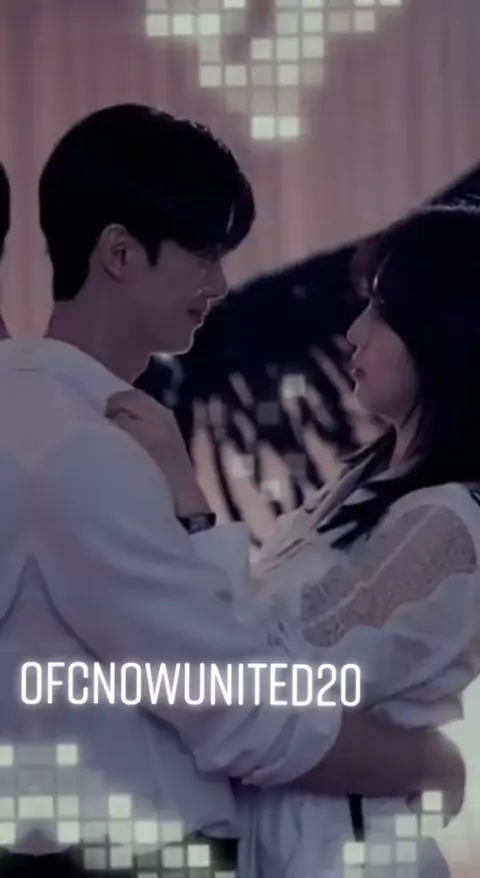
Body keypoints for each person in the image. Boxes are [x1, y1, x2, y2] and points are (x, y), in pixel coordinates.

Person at [0, 106, 462, 875]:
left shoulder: (50, 417)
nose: (218, 283)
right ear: (120, 253)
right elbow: (239, 707)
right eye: (202, 254)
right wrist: (422, 759)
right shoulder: (85, 447)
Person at [115, 204, 480, 877]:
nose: (354, 332)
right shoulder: (368, 481)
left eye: (382, 311)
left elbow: (262, 697)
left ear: (445, 330)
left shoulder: (447, 523)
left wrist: (185, 494)